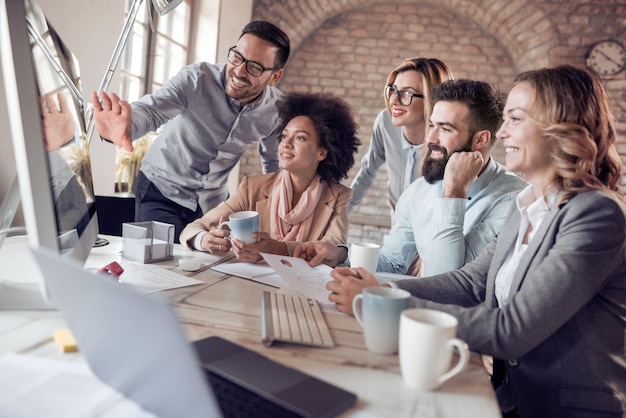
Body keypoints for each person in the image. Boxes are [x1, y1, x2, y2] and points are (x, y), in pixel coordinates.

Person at [327, 65, 626, 418]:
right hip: (510, 398)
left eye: (515, 119)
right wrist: (380, 290)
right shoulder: (527, 205)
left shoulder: (596, 214)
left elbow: (512, 330)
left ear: (558, 127)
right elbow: (470, 282)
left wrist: (387, 307)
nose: (501, 132)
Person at [295, 79, 526, 277]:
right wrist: (341, 255)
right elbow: (394, 262)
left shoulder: (513, 200)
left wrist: (454, 192)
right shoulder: (419, 190)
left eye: (445, 129)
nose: (430, 138)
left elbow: (450, 279)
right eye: (431, 125)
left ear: (481, 140)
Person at [90, 21, 290, 241]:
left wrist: (278, 210)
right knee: (161, 262)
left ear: (275, 77)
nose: (239, 71)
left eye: (254, 67)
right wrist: (126, 125)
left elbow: (275, 166)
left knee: (209, 265)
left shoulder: (277, 111)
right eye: (237, 57)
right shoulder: (196, 79)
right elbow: (152, 111)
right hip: (162, 189)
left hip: (213, 203)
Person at [179, 92, 360, 263]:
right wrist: (204, 240)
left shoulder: (338, 196)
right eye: (284, 136)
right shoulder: (252, 188)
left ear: (322, 152)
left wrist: (280, 248)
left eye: (300, 138)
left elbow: (334, 249)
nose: (286, 144)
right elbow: (193, 229)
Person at [349, 58, 453, 214]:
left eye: (407, 93)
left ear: (432, 100)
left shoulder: (449, 141)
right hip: (398, 225)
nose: (393, 100)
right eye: (393, 90)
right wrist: (339, 214)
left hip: (434, 229)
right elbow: (368, 170)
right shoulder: (385, 122)